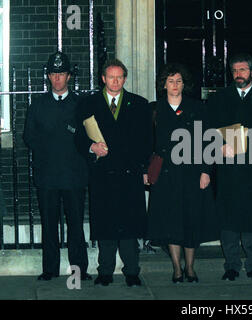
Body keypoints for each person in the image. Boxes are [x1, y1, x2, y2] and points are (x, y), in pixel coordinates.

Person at [75, 59, 153, 287]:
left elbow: (147, 140)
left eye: (119, 77)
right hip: (103, 174)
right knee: (106, 225)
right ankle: (105, 272)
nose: (115, 81)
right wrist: (92, 147)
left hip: (129, 174)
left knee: (130, 226)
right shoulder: (88, 104)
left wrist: (143, 168)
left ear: (125, 79)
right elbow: (78, 136)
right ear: (103, 79)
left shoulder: (139, 104)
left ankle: (132, 272)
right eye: (111, 77)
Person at [207, 53, 252, 281]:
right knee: (228, 219)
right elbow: (209, 129)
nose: (239, 75)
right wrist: (219, 147)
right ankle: (232, 265)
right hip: (228, 169)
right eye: (235, 71)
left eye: (243, 70)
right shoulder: (219, 98)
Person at [146, 63, 218, 283]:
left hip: (192, 172)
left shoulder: (197, 108)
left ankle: (191, 268)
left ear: (184, 84)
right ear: (164, 84)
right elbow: (148, 143)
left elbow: (208, 141)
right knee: (171, 221)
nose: (174, 85)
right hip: (166, 175)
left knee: (191, 220)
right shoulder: (154, 109)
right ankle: (177, 268)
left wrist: (206, 171)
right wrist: (146, 170)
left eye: (178, 81)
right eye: (170, 81)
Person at [23, 51, 90, 281]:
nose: (57, 78)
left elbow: (90, 137)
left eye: (61, 74)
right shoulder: (38, 105)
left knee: (75, 226)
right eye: (53, 74)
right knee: (49, 225)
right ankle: (50, 269)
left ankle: (79, 270)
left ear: (69, 76)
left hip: (74, 175)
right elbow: (28, 137)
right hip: (48, 175)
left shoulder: (81, 104)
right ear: (48, 76)